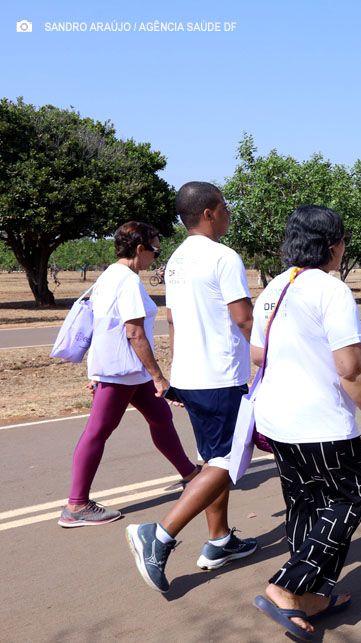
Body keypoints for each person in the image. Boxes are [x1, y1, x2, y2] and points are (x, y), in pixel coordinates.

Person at [250, 206, 361, 639]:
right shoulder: (331, 292)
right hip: (321, 423)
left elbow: (258, 355)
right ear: (333, 245)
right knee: (350, 499)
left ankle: (309, 597)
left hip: (279, 418)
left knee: (306, 506)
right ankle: (287, 585)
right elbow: (351, 369)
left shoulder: (274, 288)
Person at [126, 181, 258, 593]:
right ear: (209, 212)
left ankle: (219, 539)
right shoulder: (223, 257)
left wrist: (173, 374)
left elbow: (172, 320)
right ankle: (160, 535)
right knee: (227, 461)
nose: (229, 214)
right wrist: (272, 353)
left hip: (191, 373)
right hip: (220, 376)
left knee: (213, 459)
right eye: (225, 207)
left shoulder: (177, 260)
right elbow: (244, 319)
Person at [60, 222, 199, 528]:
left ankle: (190, 475)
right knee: (97, 431)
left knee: (160, 418)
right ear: (139, 249)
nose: (156, 255)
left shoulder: (110, 276)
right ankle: (76, 505)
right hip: (121, 371)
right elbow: (134, 332)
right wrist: (159, 376)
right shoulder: (127, 281)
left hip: (127, 371)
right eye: (155, 249)